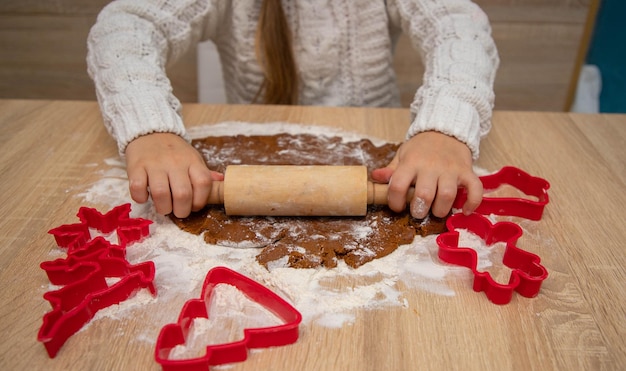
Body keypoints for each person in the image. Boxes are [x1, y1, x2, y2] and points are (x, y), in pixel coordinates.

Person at [87, 0, 499, 219]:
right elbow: (125, 26)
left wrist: (445, 128)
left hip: (382, 156)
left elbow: (458, 26)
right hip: (251, 154)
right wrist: (150, 128)